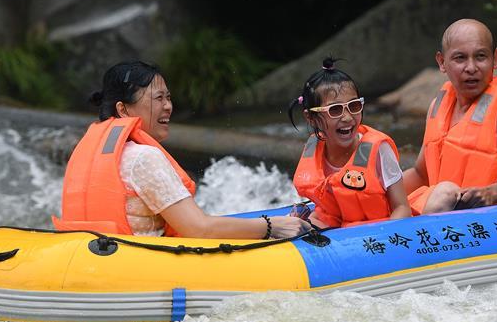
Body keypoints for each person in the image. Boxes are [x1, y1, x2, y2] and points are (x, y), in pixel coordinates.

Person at [54, 61, 310, 239]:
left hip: (97, 262)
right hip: (138, 272)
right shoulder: (143, 157)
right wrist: (272, 226)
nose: (168, 107)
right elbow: (199, 229)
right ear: (123, 109)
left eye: (168, 97)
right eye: (158, 98)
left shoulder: (90, 151)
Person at [403, 19, 497, 213]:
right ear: (442, 62)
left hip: (491, 218)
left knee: (444, 194)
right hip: (445, 214)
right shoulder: (437, 106)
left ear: (495, 58)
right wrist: (379, 192)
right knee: (441, 194)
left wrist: (491, 193)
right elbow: (421, 174)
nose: (471, 68)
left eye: (481, 56)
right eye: (460, 58)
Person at [288, 58, 412, 228]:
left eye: (353, 106)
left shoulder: (378, 150)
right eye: (335, 110)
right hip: (334, 230)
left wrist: (386, 237)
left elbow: (402, 208)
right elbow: (328, 211)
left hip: (377, 232)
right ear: (311, 118)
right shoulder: (313, 148)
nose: (347, 117)